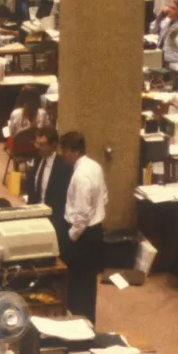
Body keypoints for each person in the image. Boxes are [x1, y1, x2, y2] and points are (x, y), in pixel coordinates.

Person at [60, 131, 107, 321]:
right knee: (88, 284)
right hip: (95, 230)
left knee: (76, 284)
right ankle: (88, 320)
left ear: (74, 151)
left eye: (65, 151)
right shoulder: (95, 166)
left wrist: (71, 236)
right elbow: (104, 196)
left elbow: (82, 213)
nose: (63, 155)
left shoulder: (80, 176)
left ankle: (78, 322)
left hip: (81, 235)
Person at [23, 126, 73, 219]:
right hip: (34, 214)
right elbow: (31, 187)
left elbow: (63, 198)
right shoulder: (36, 159)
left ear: (53, 145)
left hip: (53, 217)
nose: (37, 147)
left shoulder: (63, 166)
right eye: (37, 143)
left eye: (42, 144)